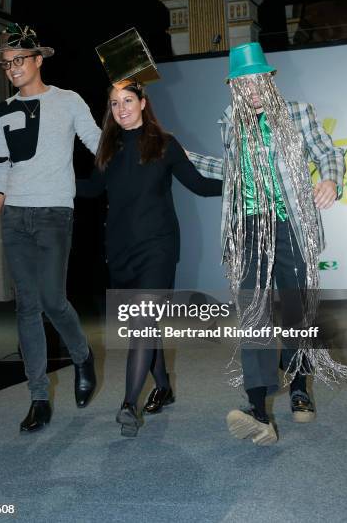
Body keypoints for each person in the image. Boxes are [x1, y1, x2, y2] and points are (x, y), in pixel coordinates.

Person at [188, 42, 347, 445]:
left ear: (270, 79)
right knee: (253, 315)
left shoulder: (297, 113)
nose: (253, 89)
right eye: (244, 82)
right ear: (234, 87)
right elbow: (229, 171)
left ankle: (298, 386)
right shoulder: (229, 121)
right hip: (249, 230)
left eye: (258, 79)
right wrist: (174, 153)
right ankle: (257, 408)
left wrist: (329, 177)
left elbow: (327, 152)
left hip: (290, 224)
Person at [77, 78, 223, 437]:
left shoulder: (164, 144)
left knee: (142, 323)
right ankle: (164, 386)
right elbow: (92, 189)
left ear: (143, 103)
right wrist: (48, 180)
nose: (122, 108)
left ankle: (129, 404)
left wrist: (243, 182)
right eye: (114, 103)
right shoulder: (108, 148)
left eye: (128, 100)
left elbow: (201, 186)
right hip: (120, 250)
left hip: (158, 247)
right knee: (144, 324)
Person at [0, 23, 101, 432]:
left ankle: (82, 355)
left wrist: (134, 133)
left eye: (19, 60)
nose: (12, 68)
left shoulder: (67, 101)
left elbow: (97, 142)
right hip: (14, 217)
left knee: (52, 299)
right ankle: (38, 398)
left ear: (38, 60)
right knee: (26, 306)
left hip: (53, 215)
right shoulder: (2, 112)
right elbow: (0, 172)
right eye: (6, 63)